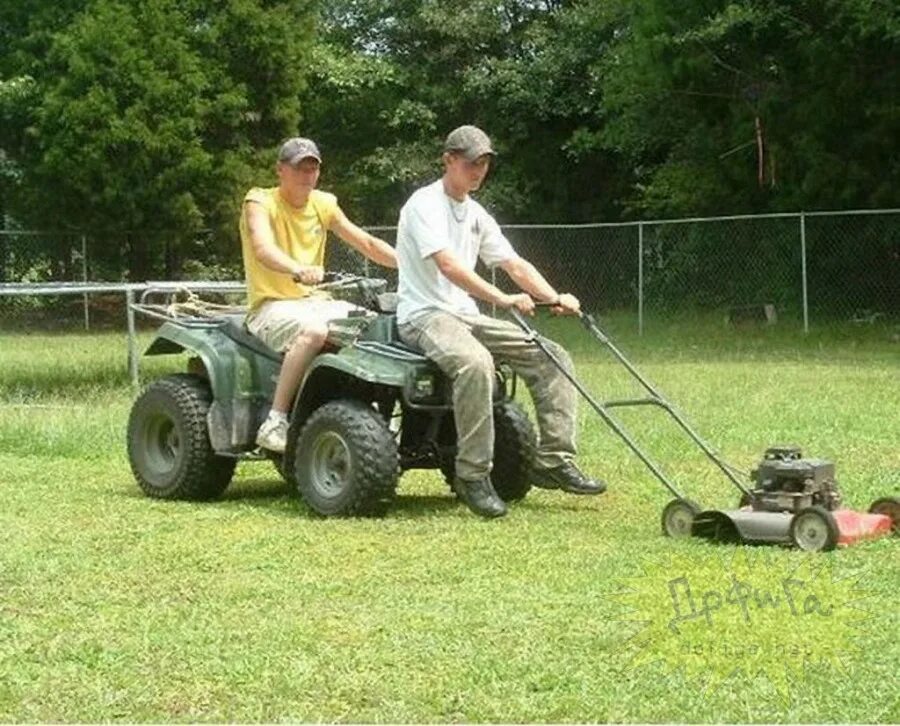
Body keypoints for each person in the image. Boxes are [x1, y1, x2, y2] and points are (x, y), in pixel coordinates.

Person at [395, 125, 606, 519]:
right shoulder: (423, 205)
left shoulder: (476, 213)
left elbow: (513, 264)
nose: (479, 170)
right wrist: (501, 298)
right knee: (475, 364)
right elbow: (449, 265)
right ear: (449, 161)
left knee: (551, 355)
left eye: (485, 163)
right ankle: (473, 476)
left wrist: (554, 296)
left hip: (466, 315)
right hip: (425, 315)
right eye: (472, 162)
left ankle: (554, 460)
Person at [240, 137, 397, 453]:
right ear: (281, 170)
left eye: (313, 168)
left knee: (380, 325)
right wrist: (297, 268)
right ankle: (276, 420)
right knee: (314, 332)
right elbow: (262, 248)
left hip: (316, 303)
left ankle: (383, 416)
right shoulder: (259, 201)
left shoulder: (324, 203)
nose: (307, 175)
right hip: (271, 306)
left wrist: (408, 262)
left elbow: (365, 242)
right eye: (300, 168)